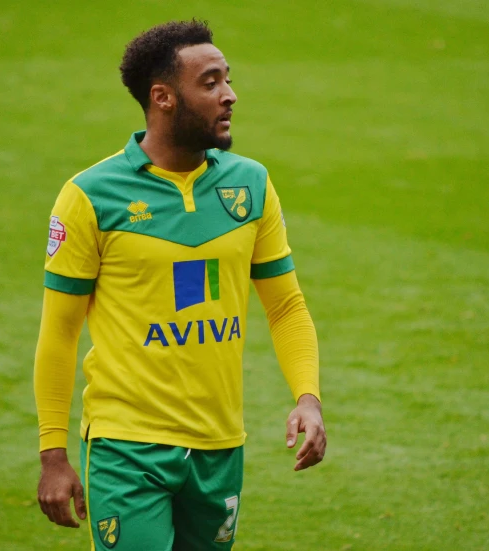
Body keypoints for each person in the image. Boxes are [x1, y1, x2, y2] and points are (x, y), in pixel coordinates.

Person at [34, 19, 326, 550]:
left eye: (228, 80)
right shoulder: (90, 196)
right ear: (163, 98)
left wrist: (308, 397)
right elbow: (59, 332)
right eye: (210, 83)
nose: (230, 96)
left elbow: (285, 306)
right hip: (128, 446)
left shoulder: (250, 184)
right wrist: (54, 454)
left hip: (220, 446)